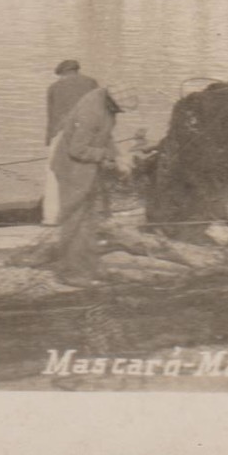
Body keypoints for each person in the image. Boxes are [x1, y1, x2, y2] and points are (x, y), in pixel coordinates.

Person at [50, 84, 136, 286]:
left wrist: (119, 156)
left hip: (85, 171)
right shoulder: (92, 112)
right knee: (74, 221)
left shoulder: (105, 103)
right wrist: (107, 157)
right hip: (72, 171)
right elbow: (77, 150)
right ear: (111, 101)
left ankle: (88, 266)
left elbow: (106, 136)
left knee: (89, 220)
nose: (119, 113)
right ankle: (71, 273)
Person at [43, 59, 99, 225]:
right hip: (86, 134)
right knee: (85, 173)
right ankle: (83, 214)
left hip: (61, 134)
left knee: (54, 174)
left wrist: (49, 139)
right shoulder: (91, 83)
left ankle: (51, 218)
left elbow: (51, 116)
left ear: (62, 74)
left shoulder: (54, 88)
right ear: (77, 70)